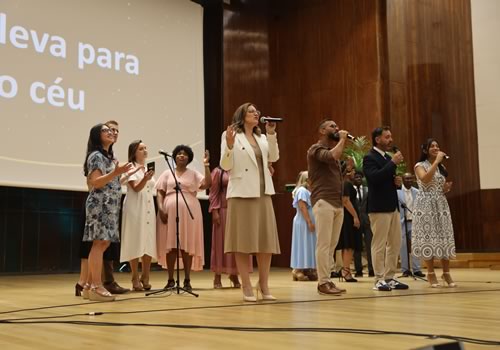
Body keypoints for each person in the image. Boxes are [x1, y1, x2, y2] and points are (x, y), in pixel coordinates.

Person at [220, 102, 280, 302]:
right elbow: (225, 165)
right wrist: (228, 145)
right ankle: (245, 285)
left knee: (265, 242)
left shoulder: (262, 137)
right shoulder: (231, 136)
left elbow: (274, 157)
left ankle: (263, 285)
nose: (256, 114)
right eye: (252, 111)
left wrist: (271, 134)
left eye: (257, 111)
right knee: (243, 242)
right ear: (242, 116)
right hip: (242, 193)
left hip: (263, 192)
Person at [82, 123, 131, 301]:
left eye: (111, 130)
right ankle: (96, 285)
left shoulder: (108, 157)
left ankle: (88, 286)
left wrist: (122, 174)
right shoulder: (96, 156)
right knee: (99, 243)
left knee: (103, 243)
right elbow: (96, 182)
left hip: (110, 206)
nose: (110, 132)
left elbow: (111, 181)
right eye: (105, 130)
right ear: (96, 136)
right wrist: (116, 172)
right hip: (100, 204)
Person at [155, 145, 211, 292]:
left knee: (187, 245)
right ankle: (170, 280)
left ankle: (187, 280)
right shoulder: (167, 173)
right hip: (169, 211)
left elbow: (207, 184)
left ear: (189, 158)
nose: (181, 156)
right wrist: (160, 208)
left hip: (190, 211)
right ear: (174, 156)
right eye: (179, 153)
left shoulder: (194, 173)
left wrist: (206, 165)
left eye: (185, 154)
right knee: (171, 245)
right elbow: (160, 192)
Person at [363, 126, 408, 291]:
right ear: (378, 139)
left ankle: (389, 277)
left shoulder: (387, 158)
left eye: (391, 137)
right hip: (378, 207)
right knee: (379, 244)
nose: (390, 140)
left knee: (395, 243)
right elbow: (374, 178)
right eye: (387, 137)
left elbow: (385, 179)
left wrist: (397, 183)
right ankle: (378, 279)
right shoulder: (369, 157)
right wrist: (393, 163)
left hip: (392, 206)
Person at [307, 119, 349, 295]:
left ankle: (328, 280)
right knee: (324, 244)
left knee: (331, 245)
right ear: (322, 130)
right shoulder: (315, 149)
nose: (337, 128)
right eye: (332, 126)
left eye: (337, 126)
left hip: (337, 203)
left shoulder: (332, 152)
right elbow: (332, 156)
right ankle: (322, 283)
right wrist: (342, 140)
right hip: (323, 200)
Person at [412, 138, 456, 288]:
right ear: (425, 150)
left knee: (444, 236)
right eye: (432, 146)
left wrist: (445, 188)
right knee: (429, 237)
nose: (436, 148)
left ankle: (446, 272)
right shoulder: (420, 165)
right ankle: (430, 273)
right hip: (426, 204)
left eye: (437, 146)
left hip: (440, 203)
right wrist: (436, 162)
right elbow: (424, 180)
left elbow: (437, 184)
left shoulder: (440, 167)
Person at [120, 140, 157, 291]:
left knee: (148, 240)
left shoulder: (147, 167)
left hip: (148, 205)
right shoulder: (130, 168)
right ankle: (135, 277)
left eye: (145, 148)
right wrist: (145, 178)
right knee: (135, 239)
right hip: (135, 207)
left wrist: (148, 177)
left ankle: (146, 276)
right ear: (134, 152)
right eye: (141, 148)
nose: (145, 150)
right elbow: (135, 188)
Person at [208, 166, 251, 289]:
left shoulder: (241, 168)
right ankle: (217, 276)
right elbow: (214, 192)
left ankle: (234, 274)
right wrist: (215, 211)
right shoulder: (218, 171)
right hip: (224, 210)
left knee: (238, 244)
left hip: (239, 210)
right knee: (220, 244)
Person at [290, 171, 317, 282]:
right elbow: (302, 206)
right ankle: (298, 270)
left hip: (308, 222)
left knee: (309, 245)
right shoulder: (301, 191)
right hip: (303, 222)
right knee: (302, 245)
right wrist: (309, 221)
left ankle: (308, 268)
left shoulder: (310, 191)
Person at [337, 162, 361, 282]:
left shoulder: (343, 183)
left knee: (348, 244)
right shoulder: (346, 183)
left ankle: (345, 270)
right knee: (348, 245)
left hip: (346, 216)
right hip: (348, 217)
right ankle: (346, 271)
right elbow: (345, 201)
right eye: (351, 171)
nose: (353, 173)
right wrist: (355, 216)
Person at [397, 173, 425, 278]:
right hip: (402, 222)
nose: (409, 180)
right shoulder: (397, 192)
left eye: (410, 178)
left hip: (414, 222)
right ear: (403, 180)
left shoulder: (417, 192)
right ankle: (405, 270)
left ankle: (417, 269)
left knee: (415, 246)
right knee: (403, 246)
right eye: (406, 178)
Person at [352, 170, 374, 277]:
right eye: (356, 177)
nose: (358, 179)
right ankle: (358, 270)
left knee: (370, 245)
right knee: (357, 247)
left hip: (367, 220)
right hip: (355, 221)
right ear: (353, 179)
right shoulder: (351, 191)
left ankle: (371, 269)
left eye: (360, 177)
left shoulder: (367, 190)